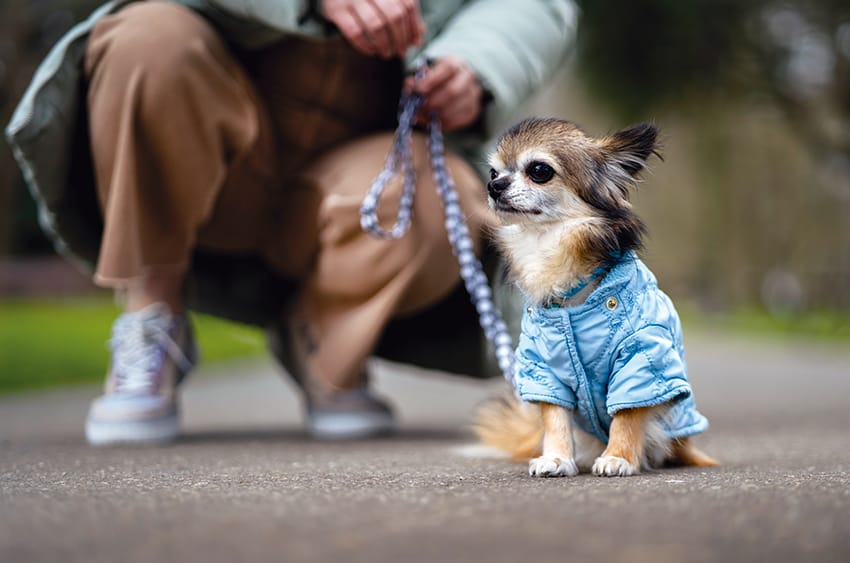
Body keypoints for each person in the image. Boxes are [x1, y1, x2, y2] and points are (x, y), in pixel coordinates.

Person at [6, 0, 577, 444]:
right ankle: (152, 314)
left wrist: (475, 65)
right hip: (209, 134)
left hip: (364, 165)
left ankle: (322, 343)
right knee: (146, 40)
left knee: (443, 192)